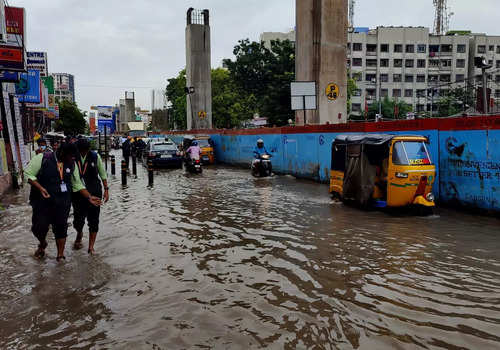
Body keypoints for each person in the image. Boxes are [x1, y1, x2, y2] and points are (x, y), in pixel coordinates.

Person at [25, 143, 101, 261]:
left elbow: (77, 184)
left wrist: (89, 197)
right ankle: (42, 243)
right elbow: (28, 174)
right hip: (42, 201)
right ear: (62, 154)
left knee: (61, 227)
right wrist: (40, 188)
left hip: (62, 201)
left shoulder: (72, 164)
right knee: (39, 228)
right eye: (71, 156)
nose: (73, 159)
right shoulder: (43, 158)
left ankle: (60, 256)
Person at [73, 138, 109, 254]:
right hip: (78, 193)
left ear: (88, 149)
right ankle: (79, 233)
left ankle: (91, 247)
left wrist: (106, 189)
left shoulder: (95, 156)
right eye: (81, 151)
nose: (83, 153)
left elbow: (102, 173)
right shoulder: (73, 158)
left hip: (95, 191)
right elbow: (76, 181)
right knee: (78, 220)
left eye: (85, 150)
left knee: (94, 220)